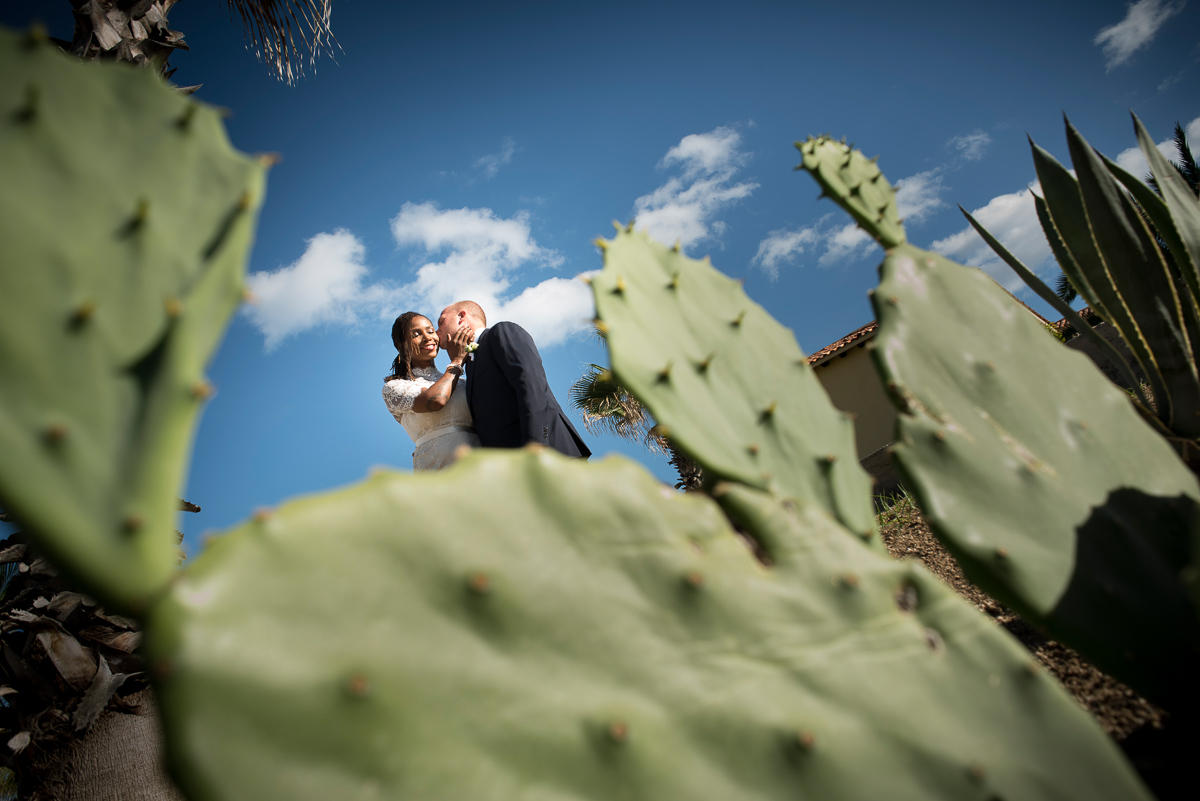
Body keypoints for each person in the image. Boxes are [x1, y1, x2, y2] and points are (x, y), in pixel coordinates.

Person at [436, 300, 590, 459]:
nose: (436, 331)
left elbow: (532, 387)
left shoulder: (500, 332)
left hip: (551, 457)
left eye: (441, 322)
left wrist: (538, 447)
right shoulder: (470, 365)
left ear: (461, 317)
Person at [382, 311, 480, 470]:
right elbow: (435, 400)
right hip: (436, 469)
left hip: (478, 465)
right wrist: (456, 361)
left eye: (430, 331)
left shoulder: (462, 383)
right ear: (401, 345)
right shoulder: (395, 388)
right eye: (416, 334)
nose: (427, 337)